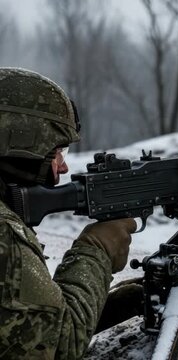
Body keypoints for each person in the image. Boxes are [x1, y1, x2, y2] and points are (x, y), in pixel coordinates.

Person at [0, 67, 140, 359]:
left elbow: (15, 332)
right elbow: (57, 349)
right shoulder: (4, 234)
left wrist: (110, 304)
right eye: (56, 153)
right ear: (22, 143)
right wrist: (97, 250)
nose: (63, 168)